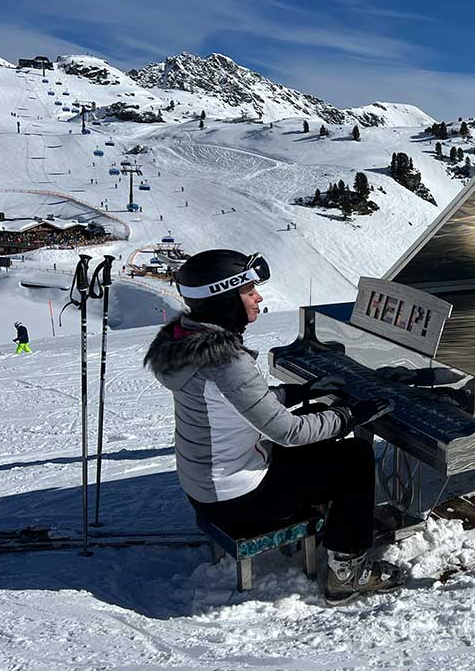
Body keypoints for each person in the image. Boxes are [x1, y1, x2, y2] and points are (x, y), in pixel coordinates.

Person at [142, 249, 404, 605]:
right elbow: (289, 433)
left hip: (205, 488)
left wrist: (298, 392)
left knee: (325, 448)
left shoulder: (185, 342)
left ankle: (342, 524)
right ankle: (348, 572)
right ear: (225, 298)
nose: (258, 297)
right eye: (249, 291)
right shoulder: (225, 361)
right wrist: (349, 415)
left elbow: (238, 402)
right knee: (354, 456)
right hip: (238, 500)